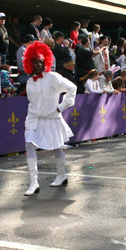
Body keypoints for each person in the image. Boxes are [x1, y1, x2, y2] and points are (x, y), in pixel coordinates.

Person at [22, 42, 77, 195]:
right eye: (35, 62)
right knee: (29, 145)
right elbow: (32, 102)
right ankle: (33, 183)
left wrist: (63, 105)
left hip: (51, 118)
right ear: (30, 64)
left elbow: (72, 87)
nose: (38, 64)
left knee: (57, 146)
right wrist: (28, 121)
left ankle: (61, 175)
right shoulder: (29, 82)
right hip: (33, 119)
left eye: (40, 61)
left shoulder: (53, 77)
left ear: (45, 62)